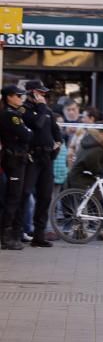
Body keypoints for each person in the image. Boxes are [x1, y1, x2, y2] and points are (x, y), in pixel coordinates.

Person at [21, 80, 61, 247]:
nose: (43, 96)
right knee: (24, 194)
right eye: (40, 93)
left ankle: (39, 235)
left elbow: (55, 130)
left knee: (45, 197)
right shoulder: (25, 109)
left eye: (44, 93)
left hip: (46, 157)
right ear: (31, 93)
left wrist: (58, 142)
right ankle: (18, 232)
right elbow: (37, 125)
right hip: (32, 157)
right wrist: (41, 108)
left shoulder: (46, 110)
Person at [0, 86, 32, 250]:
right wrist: (26, 130)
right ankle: (6, 237)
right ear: (9, 97)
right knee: (12, 198)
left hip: (17, 159)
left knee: (17, 197)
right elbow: (26, 134)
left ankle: (13, 234)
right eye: (18, 96)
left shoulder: (16, 114)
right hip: (13, 160)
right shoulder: (10, 115)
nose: (21, 98)